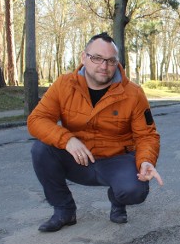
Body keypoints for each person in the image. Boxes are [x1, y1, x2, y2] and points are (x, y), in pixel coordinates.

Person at [28, 32, 163, 232]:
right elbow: (36, 120)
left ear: (117, 62)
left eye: (110, 60)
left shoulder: (133, 93)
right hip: (78, 159)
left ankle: (118, 199)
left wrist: (146, 161)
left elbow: (147, 135)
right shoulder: (64, 85)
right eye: (97, 58)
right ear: (84, 58)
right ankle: (64, 210)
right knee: (40, 149)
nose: (104, 66)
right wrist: (67, 140)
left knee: (134, 190)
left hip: (115, 161)